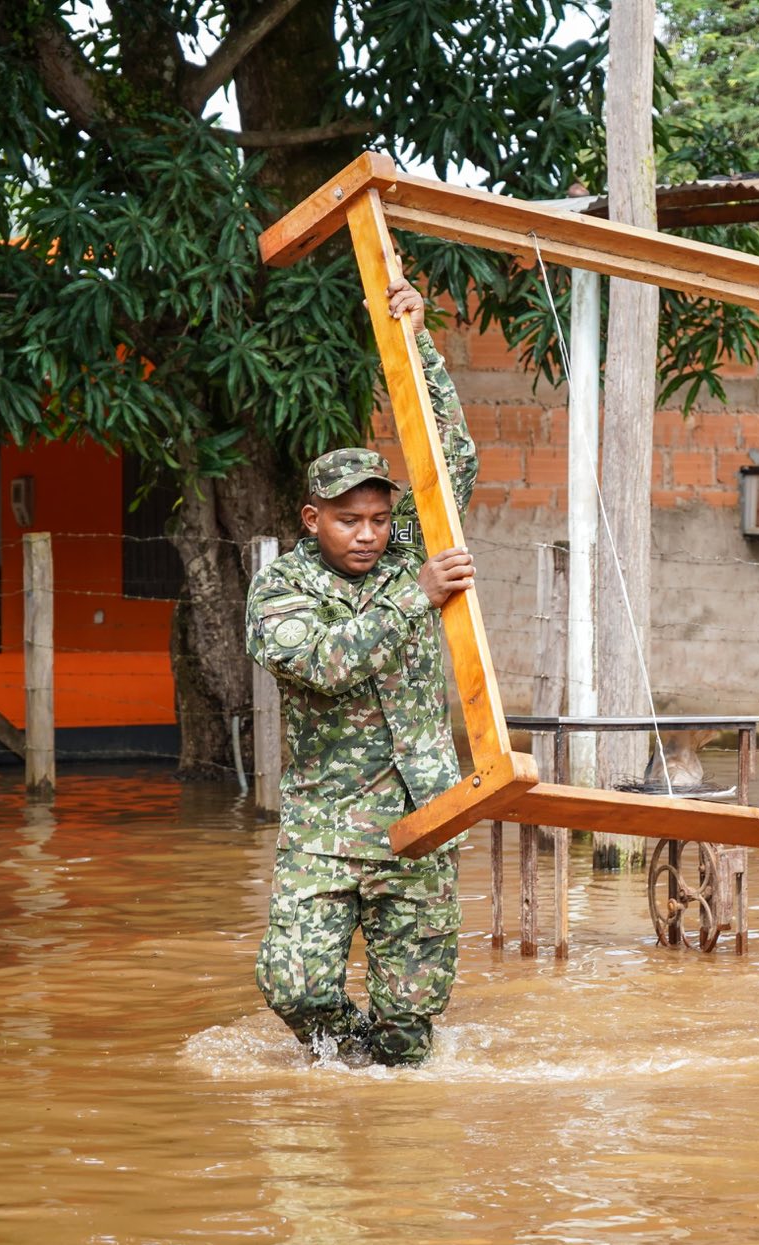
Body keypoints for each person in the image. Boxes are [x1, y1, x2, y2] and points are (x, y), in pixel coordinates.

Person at [244, 282, 479, 1067]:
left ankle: (390, 1120)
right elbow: (324, 663)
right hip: (328, 820)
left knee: (411, 1019)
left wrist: (418, 344)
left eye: (380, 519)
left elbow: (451, 458)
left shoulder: (413, 546)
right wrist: (416, 599)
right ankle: (344, 1066)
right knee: (293, 983)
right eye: (350, 520)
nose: (370, 535)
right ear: (312, 519)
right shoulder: (283, 589)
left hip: (421, 814)